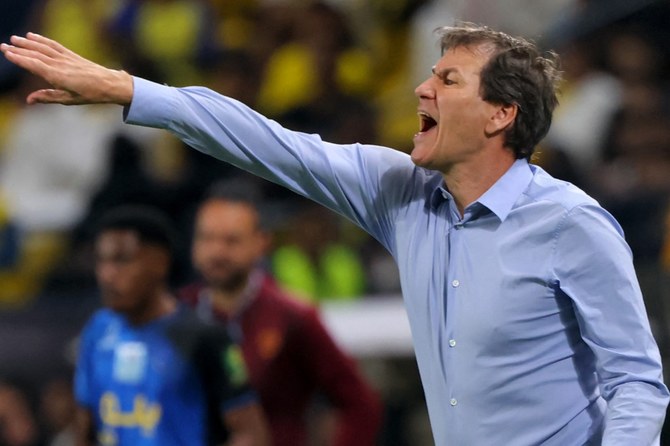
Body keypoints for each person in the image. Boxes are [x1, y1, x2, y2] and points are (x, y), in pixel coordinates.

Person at [2, 22, 669, 445]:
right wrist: (129, 90)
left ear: (500, 114)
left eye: (447, 79)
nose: (421, 87)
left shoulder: (571, 224)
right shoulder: (399, 193)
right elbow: (268, 143)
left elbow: (637, 381)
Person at [179, 180, 382, 446]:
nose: (217, 251)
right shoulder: (177, 313)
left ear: (261, 242)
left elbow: (361, 404)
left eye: (231, 240)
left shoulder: (292, 316)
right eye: (207, 238)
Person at [72, 205, 269, 446]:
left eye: (122, 260)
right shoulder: (97, 331)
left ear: (160, 263)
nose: (107, 275)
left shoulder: (204, 336)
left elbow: (251, 434)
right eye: (101, 261)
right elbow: (85, 426)